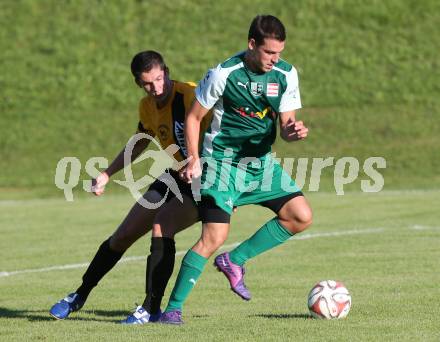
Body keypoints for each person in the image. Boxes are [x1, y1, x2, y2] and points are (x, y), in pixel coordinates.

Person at [159, 15, 313, 325]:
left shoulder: (286, 74)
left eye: (279, 52)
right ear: (252, 44)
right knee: (214, 236)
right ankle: (172, 310)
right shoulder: (223, 74)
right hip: (222, 164)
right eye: (269, 52)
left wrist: (292, 132)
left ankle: (234, 260)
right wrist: (193, 159)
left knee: (300, 216)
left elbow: (285, 124)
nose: (275, 59)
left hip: (260, 163)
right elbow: (193, 118)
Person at [49, 50, 211, 324]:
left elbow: (225, 123)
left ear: (167, 72)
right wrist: (107, 174)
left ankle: (151, 308)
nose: (156, 88)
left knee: (162, 226)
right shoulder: (146, 106)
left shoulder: (191, 95)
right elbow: (140, 141)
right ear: (139, 83)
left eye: (160, 79)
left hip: (205, 180)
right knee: (123, 235)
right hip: (175, 175)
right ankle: (79, 295)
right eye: (148, 83)